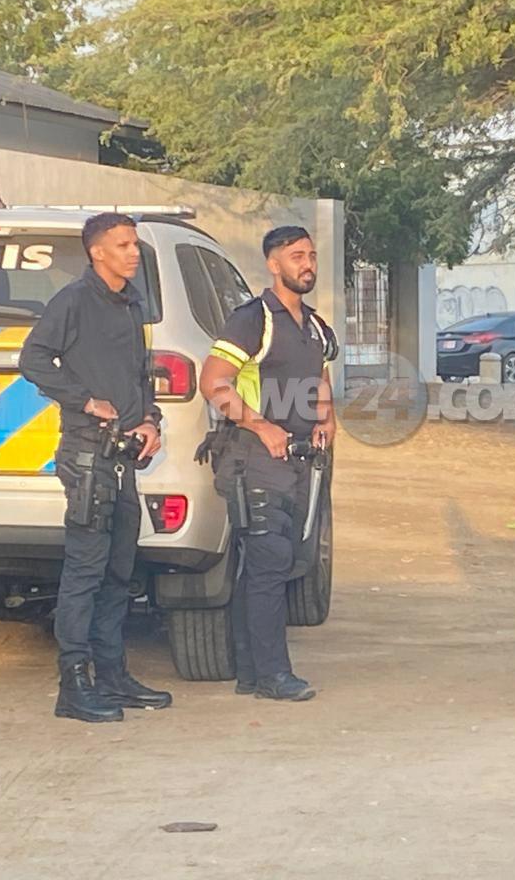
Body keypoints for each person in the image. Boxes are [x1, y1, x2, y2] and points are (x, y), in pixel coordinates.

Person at [20, 212, 173, 722]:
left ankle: (111, 675)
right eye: (123, 245)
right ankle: (74, 684)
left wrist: (150, 420)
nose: (133, 253)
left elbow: (138, 376)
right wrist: (85, 401)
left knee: (118, 571)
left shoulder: (131, 303)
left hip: (125, 456)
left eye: (135, 244)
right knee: (85, 571)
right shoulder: (74, 301)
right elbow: (33, 359)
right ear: (97, 252)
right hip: (88, 452)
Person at [198, 225, 337, 702]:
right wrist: (262, 426)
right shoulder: (253, 319)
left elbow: (319, 374)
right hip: (254, 457)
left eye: (311, 255)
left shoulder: (314, 325)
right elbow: (214, 383)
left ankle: (251, 674)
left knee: (271, 565)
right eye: (296, 256)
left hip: (298, 461)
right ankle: (274, 675)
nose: (308, 264)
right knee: (269, 564)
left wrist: (326, 418)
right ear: (273, 265)